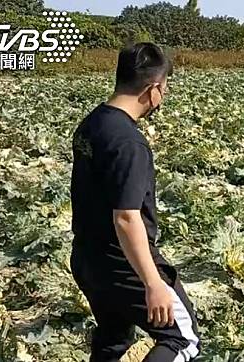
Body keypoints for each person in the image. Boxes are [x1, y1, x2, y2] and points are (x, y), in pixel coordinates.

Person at [69, 42, 201, 362]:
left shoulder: (93, 123)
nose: (163, 97)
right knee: (182, 340)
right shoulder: (129, 143)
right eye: (164, 89)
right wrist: (152, 283)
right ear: (153, 89)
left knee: (114, 339)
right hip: (123, 265)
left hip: (88, 260)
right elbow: (127, 218)